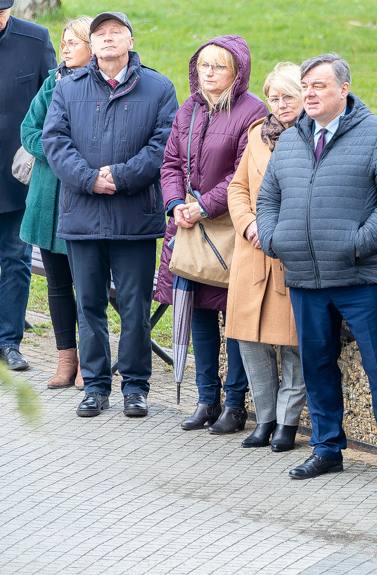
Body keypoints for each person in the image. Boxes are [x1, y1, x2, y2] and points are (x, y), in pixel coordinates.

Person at [257, 53, 377, 482]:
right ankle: (327, 448)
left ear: (344, 89)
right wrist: (274, 240)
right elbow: (267, 200)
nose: (309, 93)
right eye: (305, 86)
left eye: (319, 86)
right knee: (317, 365)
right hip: (304, 276)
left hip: (359, 276)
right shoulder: (290, 140)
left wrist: (358, 244)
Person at [42, 11, 178, 418]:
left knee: (135, 307)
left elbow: (162, 146)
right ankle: (96, 386)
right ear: (93, 44)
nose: (107, 39)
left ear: (130, 42)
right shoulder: (68, 88)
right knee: (89, 305)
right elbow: (54, 141)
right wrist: (89, 179)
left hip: (133, 218)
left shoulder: (159, 87)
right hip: (82, 216)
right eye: (99, 34)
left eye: (116, 33)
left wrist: (118, 177)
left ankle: (135, 387)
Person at [154, 36, 265, 434]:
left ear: (238, 72)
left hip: (230, 231)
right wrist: (175, 205)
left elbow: (244, 173)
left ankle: (235, 405)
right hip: (187, 229)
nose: (210, 73)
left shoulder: (254, 112)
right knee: (197, 312)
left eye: (219, 66)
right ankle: (206, 399)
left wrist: (203, 206)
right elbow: (169, 163)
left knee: (233, 320)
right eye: (204, 66)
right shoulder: (189, 108)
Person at [226, 62, 306, 450]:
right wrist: (249, 225)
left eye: (287, 95)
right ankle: (265, 418)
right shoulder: (258, 133)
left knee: (292, 343)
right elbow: (237, 187)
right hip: (252, 251)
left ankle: (287, 424)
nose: (279, 104)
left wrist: (274, 230)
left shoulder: (313, 136)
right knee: (249, 339)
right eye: (273, 97)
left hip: (289, 253)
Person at [0, 0, 54, 370]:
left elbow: (55, 101)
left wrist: (38, 150)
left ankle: (9, 343)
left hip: (19, 175)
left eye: (0, 15)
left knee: (17, 259)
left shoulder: (36, 39)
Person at [19, 15, 92, 389]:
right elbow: (29, 131)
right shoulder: (53, 81)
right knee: (58, 285)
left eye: (73, 42)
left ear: (92, 47)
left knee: (87, 285)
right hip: (47, 200)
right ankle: (66, 360)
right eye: (63, 41)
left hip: (83, 203)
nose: (64, 48)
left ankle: (90, 362)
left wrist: (61, 150)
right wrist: (57, 151)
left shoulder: (98, 85)